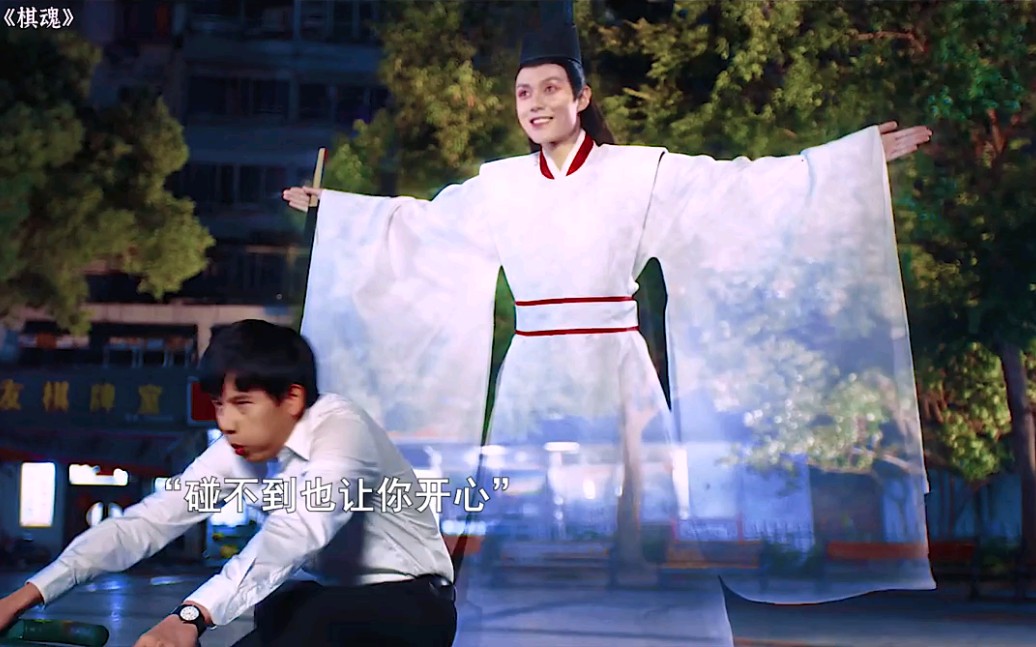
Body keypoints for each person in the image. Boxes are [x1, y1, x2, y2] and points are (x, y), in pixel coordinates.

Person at [283, 20, 935, 646]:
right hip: (532, 379)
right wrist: (338, 212)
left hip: (618, 374)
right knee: (524, 523)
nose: (536, 103)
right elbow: (422, 230)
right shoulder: (498, 187)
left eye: (550, 88)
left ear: (581, 97)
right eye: (523, 92)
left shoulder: (638, 173)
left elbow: (738, 192)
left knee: (641, 522)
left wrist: (846, 165)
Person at [0, 320, 458, 647]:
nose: (226, 421)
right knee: (282, 608)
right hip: (328, 600)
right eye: (219, 404)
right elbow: (146, 523)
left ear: (291, 398)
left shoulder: (343, 433)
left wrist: (190, 616)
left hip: (412, 604)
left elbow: (294, 534)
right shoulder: (240, 448)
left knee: (315, 617)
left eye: (242, 403)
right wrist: (25, 596)